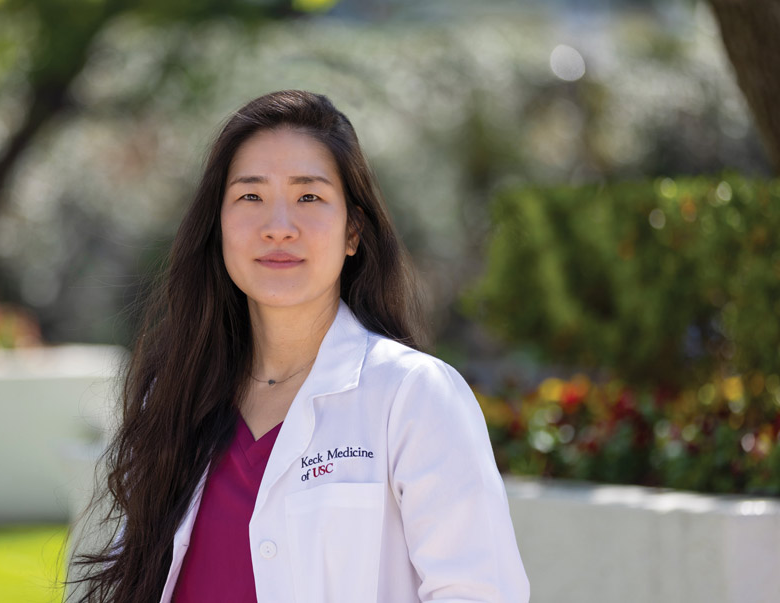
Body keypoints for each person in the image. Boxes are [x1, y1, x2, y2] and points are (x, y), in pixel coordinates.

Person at [66, 90, 529, 603]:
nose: (278, 228)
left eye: (309, 197)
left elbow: (479, 592)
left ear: (353, 231)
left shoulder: (412, 395)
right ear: (218, 227)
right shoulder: (176, 396)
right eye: (251, 197)